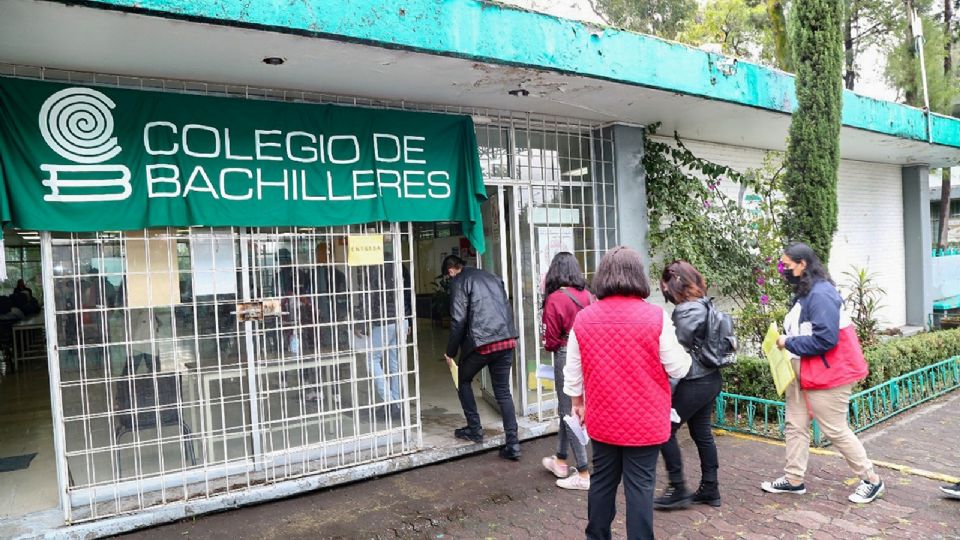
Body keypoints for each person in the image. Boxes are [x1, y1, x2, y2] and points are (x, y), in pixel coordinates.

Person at [563, 246, 691, 539]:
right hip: (645, 423)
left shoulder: (584, 318)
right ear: (638, 276)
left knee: (602, 483)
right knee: (640, 488)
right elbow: (679, 368)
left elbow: (572, 372)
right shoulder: (656, 317)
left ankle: (597, 536)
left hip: (603, 420)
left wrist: (577, 402)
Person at [761, 242, 884, 504]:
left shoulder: (821, 294)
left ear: (802, 264)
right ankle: (793, 479)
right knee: (796, 425)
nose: (783, 270)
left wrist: (787, 343)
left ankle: (871, 479)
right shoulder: (807, 291)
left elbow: (826, 340)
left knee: (834, 429)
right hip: (803, 371)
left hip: (828, 374)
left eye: (787, 265)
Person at [653, 261, 724, 511]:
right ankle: (710, 488)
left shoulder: (685, 311)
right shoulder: (706, 304)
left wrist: (664, 394)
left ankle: (678, 487)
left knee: (664, 429)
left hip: (693, 381)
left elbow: (677, 358)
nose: (662, 289)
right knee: (702, 433)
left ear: (672, 283)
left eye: (663, 284)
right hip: (711, 379)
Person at [442, 254, 522, 461]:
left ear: (451, 270)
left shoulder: (460, 282)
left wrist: (450, 353)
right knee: (503, 392)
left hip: (483, 343)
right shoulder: (492, 277)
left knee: (463, 380)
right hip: (506, 340)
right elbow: (505, 308)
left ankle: (475, 429)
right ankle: (513, 444)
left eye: (449, 275)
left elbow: (458, 320)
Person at [539, 252, 592, 491]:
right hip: (588, 354)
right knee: (570, 407)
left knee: (567, 412)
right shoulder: (587, 295)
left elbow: (550, 341)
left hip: (565, 354)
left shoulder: (555, 298)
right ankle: (560, 460)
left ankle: (583, 471)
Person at [355, 257, 411, 422]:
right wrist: (409, 320)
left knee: (372, 359)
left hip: (383, 321)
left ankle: (389, 401)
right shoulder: (401, 265)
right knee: (395, 363)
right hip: (401, 320)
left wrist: (362, 321)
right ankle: (397, 403)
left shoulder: (372, 269)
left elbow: (369, 298)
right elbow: (408, 294)